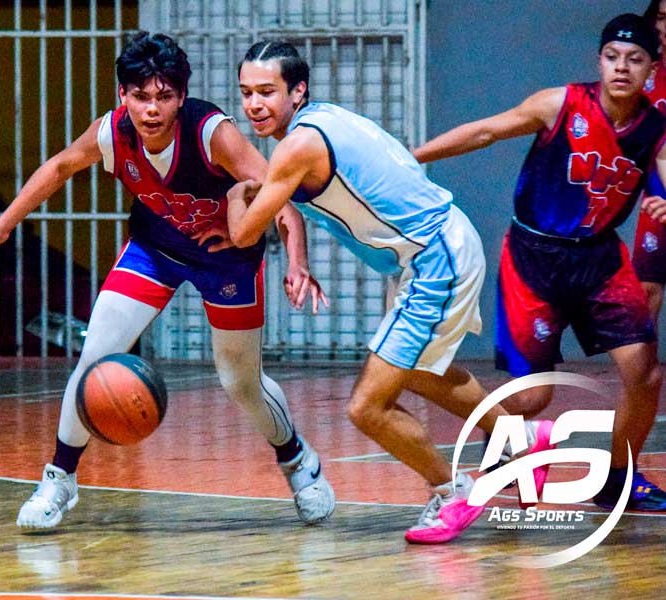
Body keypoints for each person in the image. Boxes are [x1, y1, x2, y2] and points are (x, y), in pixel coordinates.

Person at [0, 32, 336, 529]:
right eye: (140, 96)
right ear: (123, 95)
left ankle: (298, 462)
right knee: (94, 357)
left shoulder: (212, 134)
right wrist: (3, 225)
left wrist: (296, 261)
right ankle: (59, 479)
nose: (151, 109)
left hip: (226, 260)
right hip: (154, 250)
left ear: (181, 97)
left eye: (163, 97)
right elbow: (60, 167)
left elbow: (280, 197)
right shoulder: (111, 133)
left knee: (239, 382)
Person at [228, 41, 553, 544]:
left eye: (267, 92)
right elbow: (293, 198)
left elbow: (245, 232)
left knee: (367, 407)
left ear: (298, 90)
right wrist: (300, 262)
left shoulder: (296, 147)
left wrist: (235, 195)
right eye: (246, 92)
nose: (254, 104)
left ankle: (452, 490)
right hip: (440, 246)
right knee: (422, 372)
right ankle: (523, 438)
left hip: (434, 258)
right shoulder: (326, 119)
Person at [414, 13, 666, 511]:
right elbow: (485, 131)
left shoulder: (656, 128)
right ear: (599, 60)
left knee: (646, 375)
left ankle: (617, 480)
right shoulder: (561, 103)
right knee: (531, 398)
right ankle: (499, 439)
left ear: (651, 70)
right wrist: (411, 157)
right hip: (534, 258)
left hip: (599, 259)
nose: (622, 68)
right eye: (613, 57)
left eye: (635, 60)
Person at [633, 0, 666, 326]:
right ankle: (643, 374)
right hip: (657, 196)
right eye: (662, 18)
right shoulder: (644, 70)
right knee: (646, 287)